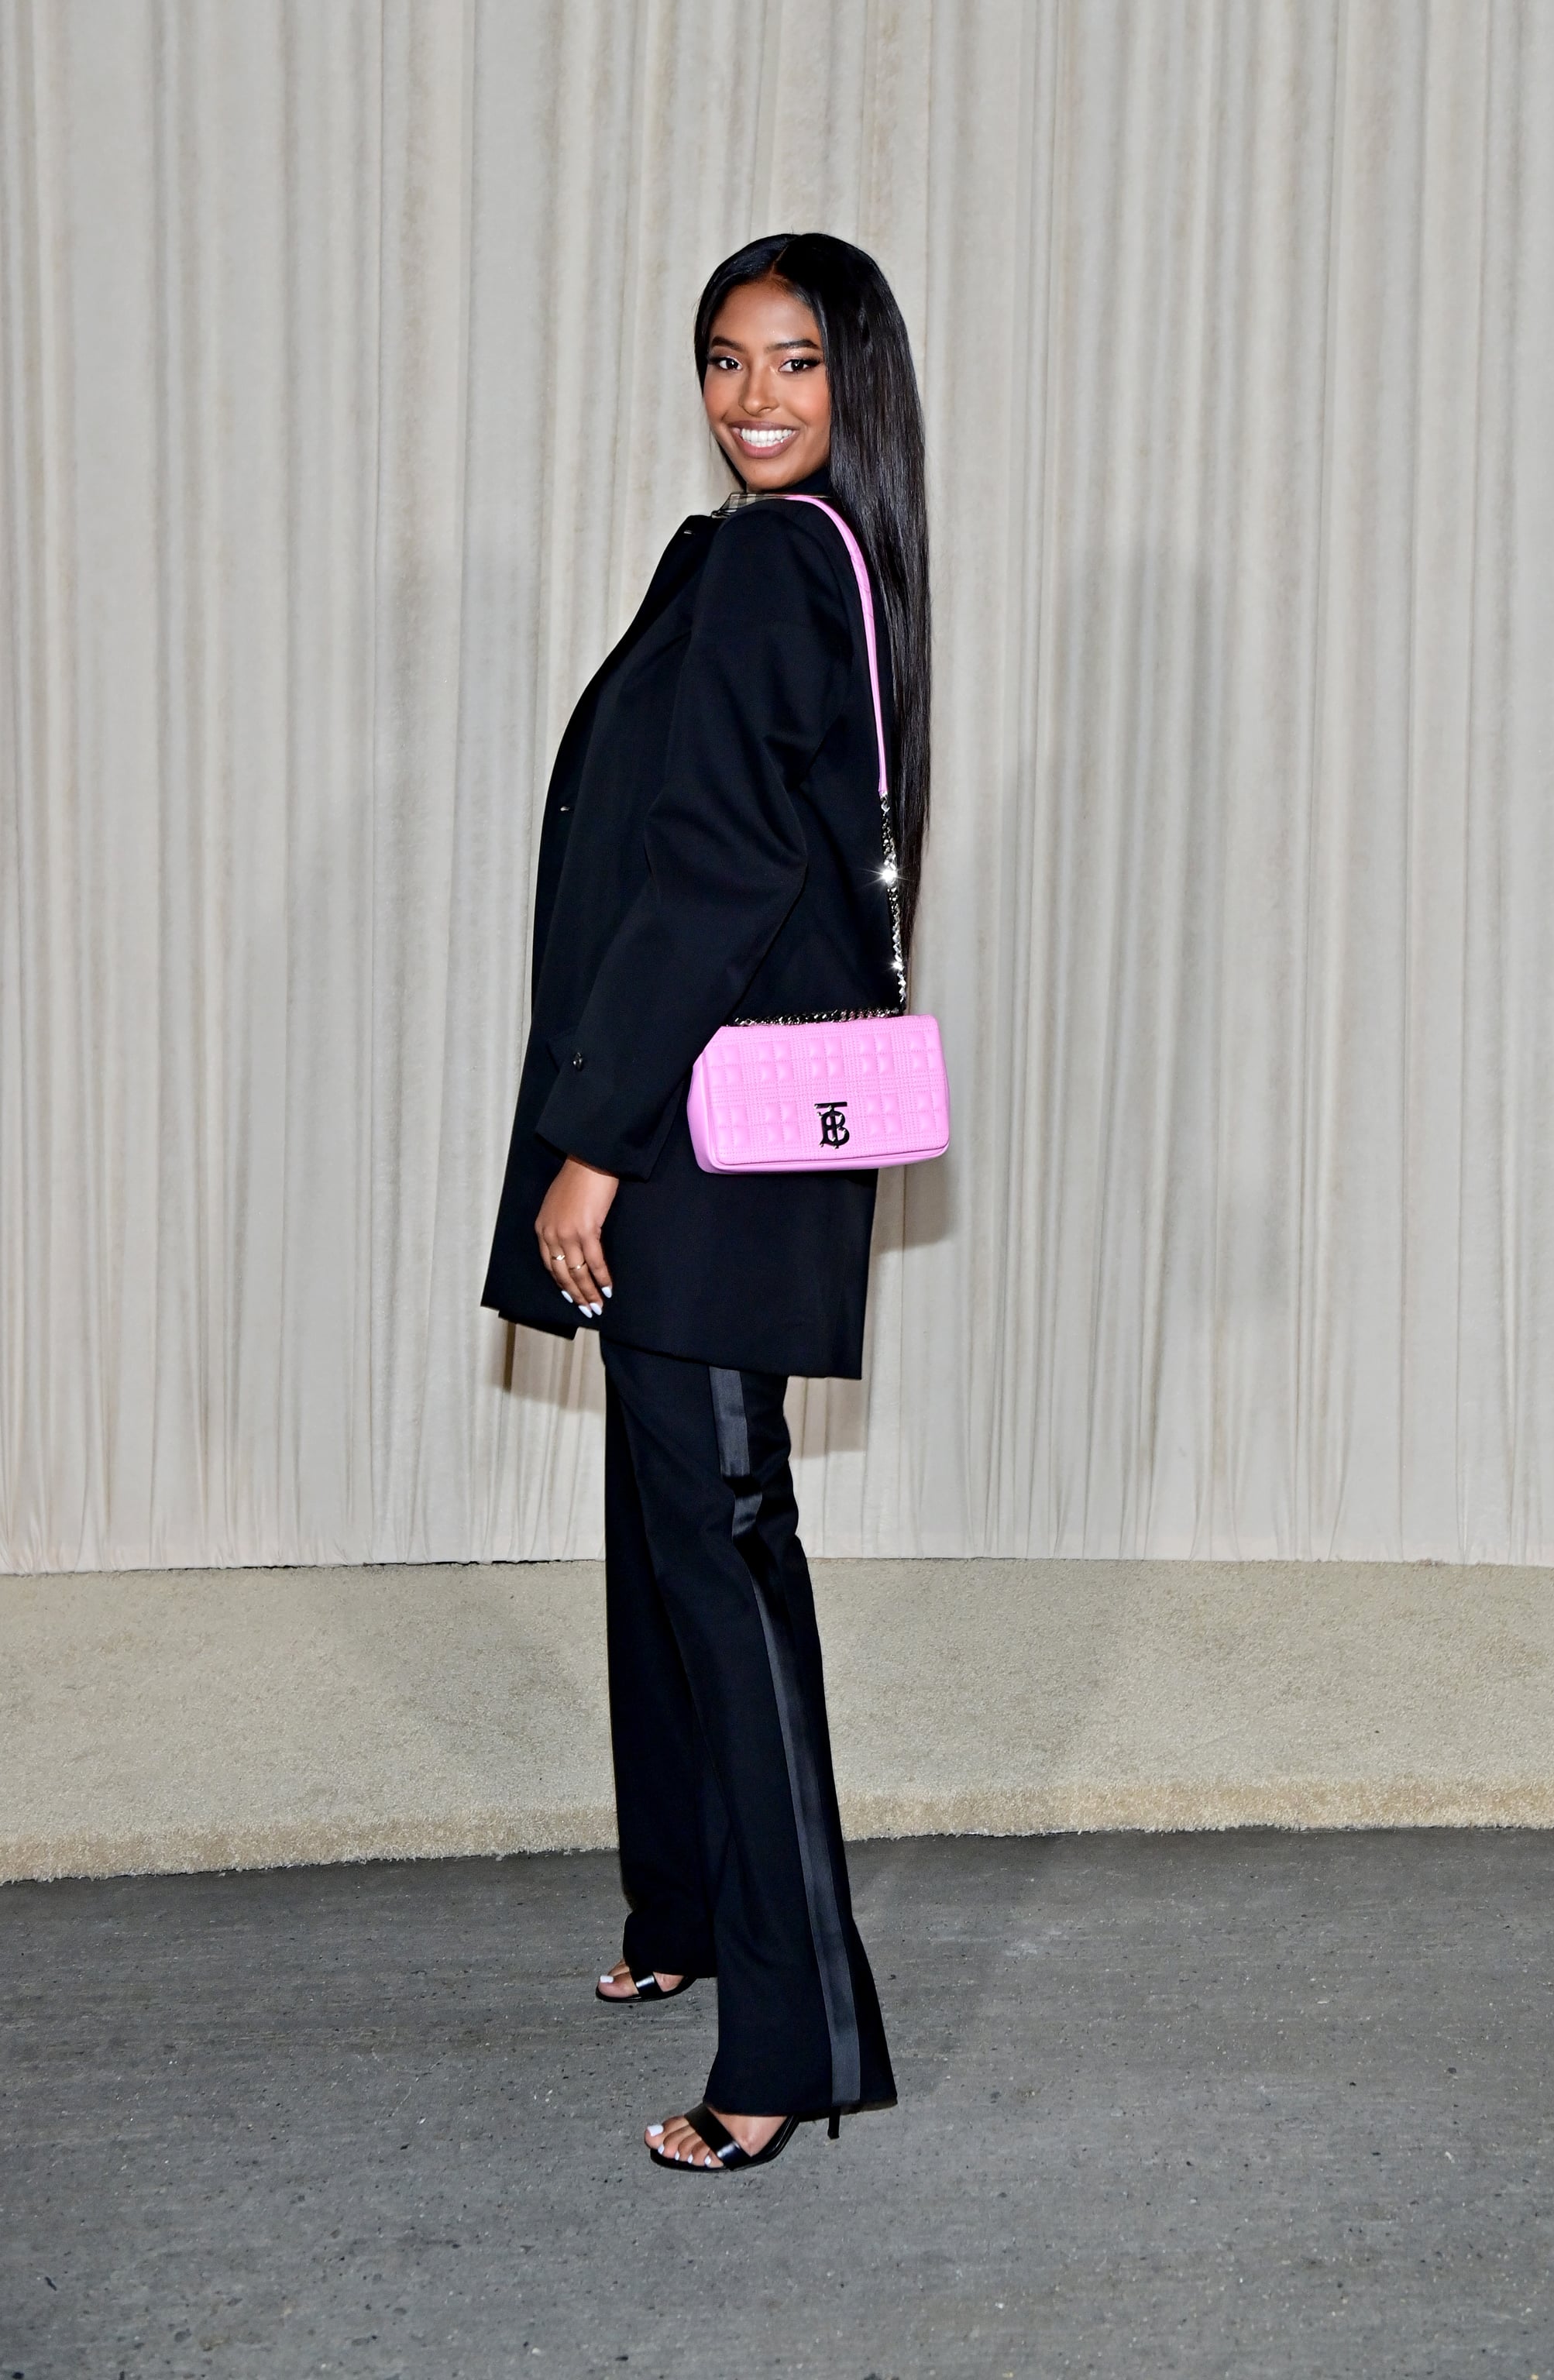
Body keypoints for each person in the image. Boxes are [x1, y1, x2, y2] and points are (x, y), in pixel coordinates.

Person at [483, 231, 931, 2172]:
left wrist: (596, 1133)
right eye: (726, 361)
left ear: (855, 382)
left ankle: (794, 2041)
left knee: (722, 1556)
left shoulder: (774, 558)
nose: (756, 399)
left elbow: (721, 869)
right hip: (685, 1124)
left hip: (690, 1143)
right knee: (661, 1519)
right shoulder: (760, 551)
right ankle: (682, 1913)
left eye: (796, 363)